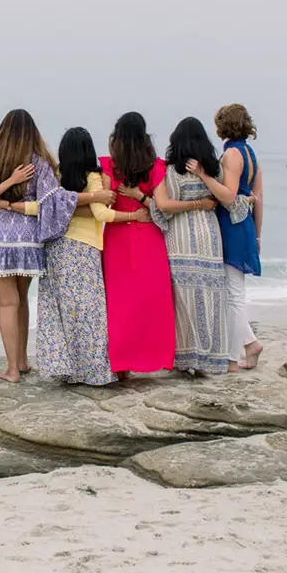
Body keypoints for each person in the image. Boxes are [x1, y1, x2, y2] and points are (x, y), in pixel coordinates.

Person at [0, 110, 89, 383]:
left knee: (7, 304)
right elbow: (53, 201)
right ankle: (21, 361)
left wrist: (2, 200)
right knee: (20, 301)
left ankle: (11, 369)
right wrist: (92, 196)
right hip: (27, 240)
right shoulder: (39, 163)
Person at [33, 127, 140, 386]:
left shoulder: (55, 176)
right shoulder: (93, 177)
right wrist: (133, 216)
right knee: (90, 311)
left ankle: (67, 368)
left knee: (61, 311)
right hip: (84, 249)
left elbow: (44, 207)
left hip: (56, 249)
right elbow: (101, 215)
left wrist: (13, 207)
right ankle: (92, 370)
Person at [151, 117, 246, 375]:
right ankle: (211, 357)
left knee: (183, 297)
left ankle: (186, 357)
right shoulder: (213, 169)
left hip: (180, 235)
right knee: (212, 295)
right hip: (208, 234)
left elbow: (164, 207)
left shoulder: (170, 171)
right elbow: (227, 198)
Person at [100, 113, 176, 377]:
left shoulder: (109, 166)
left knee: (119, 302)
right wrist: (141, 198)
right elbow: (162, 207)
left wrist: (131, 196)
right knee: (149, 301)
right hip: (149, 238)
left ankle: (120, 364)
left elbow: (106, 203)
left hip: (117, 237)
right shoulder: (156, 166)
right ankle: (151, 358)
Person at [213, 103, 265, 369]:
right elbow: (260, 198)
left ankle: (239, 354)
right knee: (234, 292)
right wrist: (257, 236)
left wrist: (204, 177)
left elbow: (229, 196)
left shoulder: (232, 155)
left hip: (231, 226)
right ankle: (243, 348)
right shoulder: (251, 154)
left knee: (232, 294)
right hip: (244, 226)